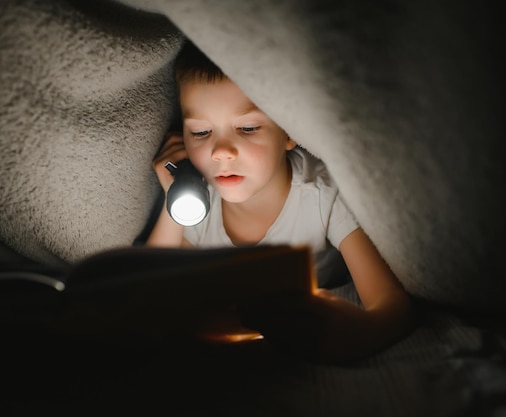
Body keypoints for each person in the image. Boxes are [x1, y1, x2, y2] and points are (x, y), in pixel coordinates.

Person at [146, 41, 415, 363]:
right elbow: (149, 291)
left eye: (247, 128)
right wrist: (173, 196)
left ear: (288, 132)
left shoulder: (322, 193)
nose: (220, 152)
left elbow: (391, 302)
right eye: (201, 132)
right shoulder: (197, 201)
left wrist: (363, 332)